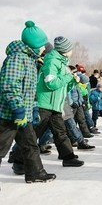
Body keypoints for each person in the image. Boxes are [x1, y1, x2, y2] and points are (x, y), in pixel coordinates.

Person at [0, 20, 56, 183]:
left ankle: (35, 173)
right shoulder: (17, 58)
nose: (43, 50)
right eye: (42, 46)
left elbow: (28, 90)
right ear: (34, 45)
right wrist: (18, 110)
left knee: (31, 144)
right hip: (10, 115)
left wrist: (33, 109)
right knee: (1, 147)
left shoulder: (30, 60)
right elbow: (10, 85)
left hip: (24, 115)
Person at [36, 36, 84, 167]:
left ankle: (68, 157)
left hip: (55, 105)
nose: (72, 51)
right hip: (45, 104)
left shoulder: (62, 62)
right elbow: (51, 83)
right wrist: (68, 76)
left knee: (60, 132)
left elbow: (63, 86)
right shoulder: (52, 61)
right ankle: (17, 158)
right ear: (65, 50)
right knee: (34, 132)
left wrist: (72, 81)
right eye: (70, 48)